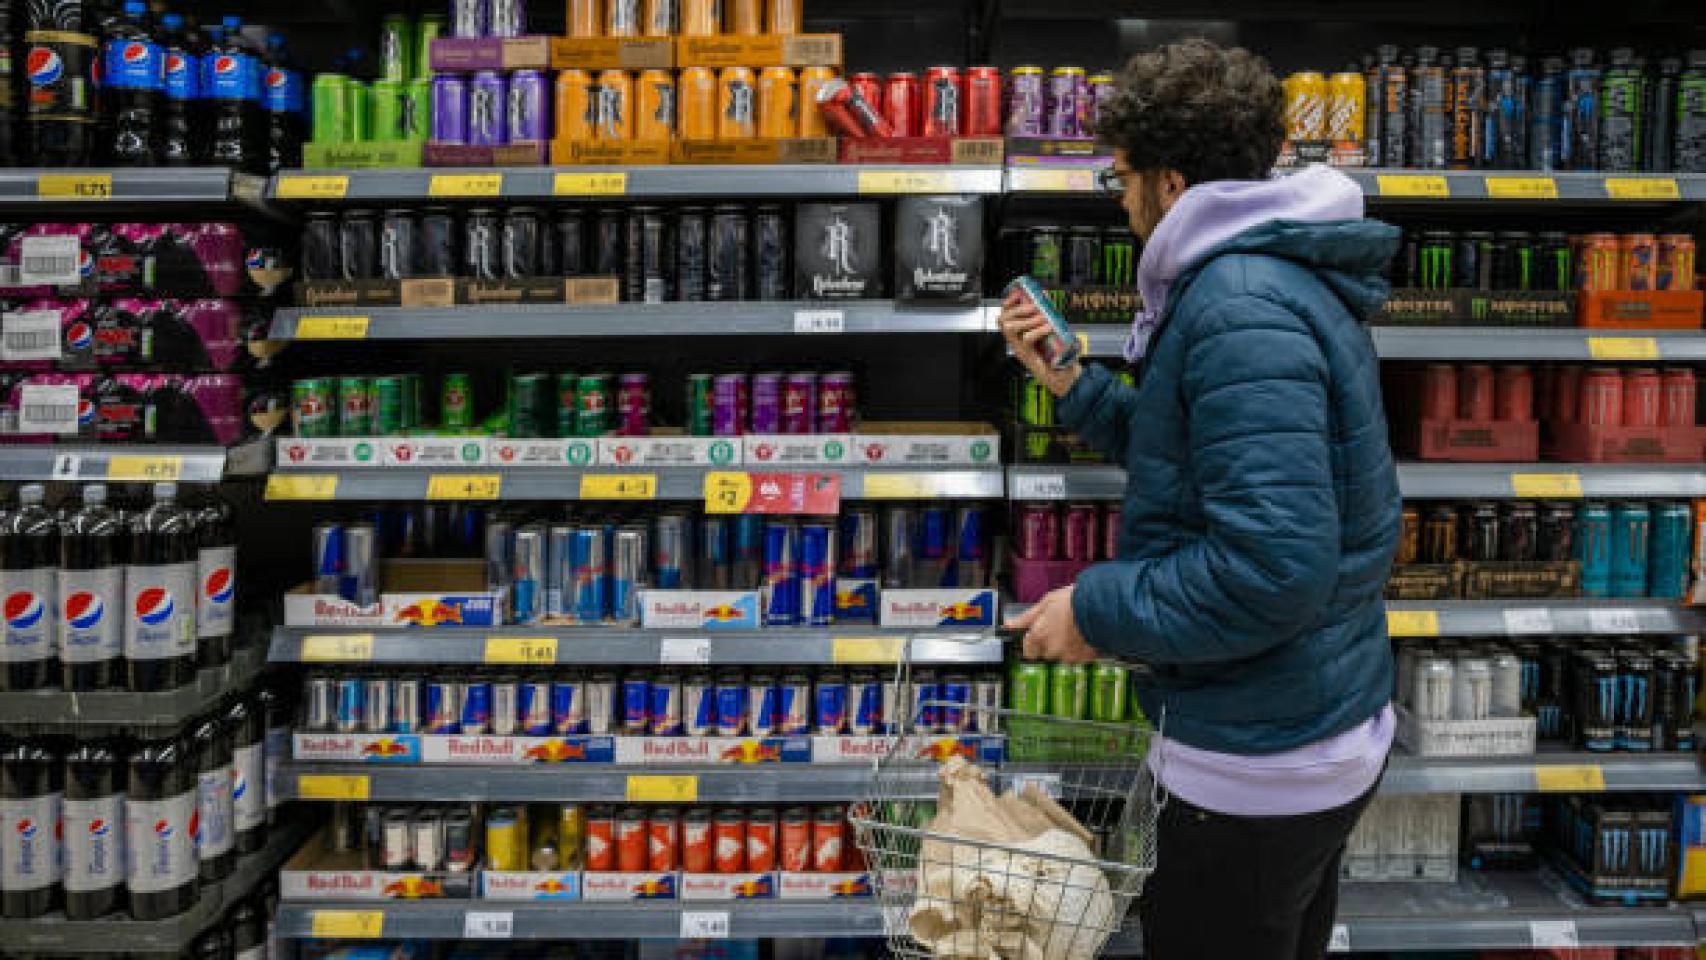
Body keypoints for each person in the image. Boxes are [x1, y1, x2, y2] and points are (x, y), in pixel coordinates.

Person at [999, 39, 1403, 960]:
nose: (1124, 200)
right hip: (1294, 725)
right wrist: (1079, 387)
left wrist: (1093, 610)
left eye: (1123, 178)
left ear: (1171, 182)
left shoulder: (1238, 305)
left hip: (1264, 761)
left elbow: (1269, 568)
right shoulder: (1257, 280)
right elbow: (1209, 459)